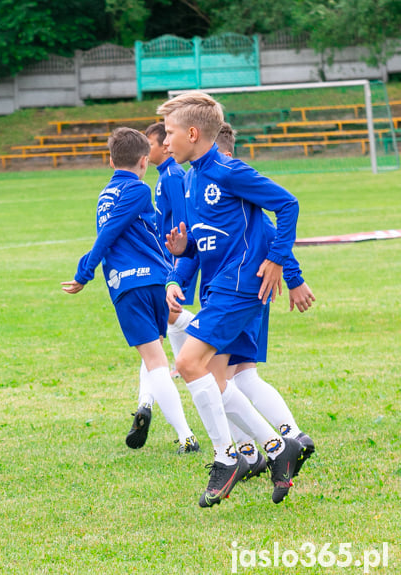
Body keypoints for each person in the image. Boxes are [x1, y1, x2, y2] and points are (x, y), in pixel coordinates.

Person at [158, 91, 304, 507]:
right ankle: (278, 449)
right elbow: (199, 245)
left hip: (241, 284)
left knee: (187, 363)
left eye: (169, 134)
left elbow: (287, 204)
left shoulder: (228, 169)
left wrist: (277, 261)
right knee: (218, 379)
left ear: (192, 133)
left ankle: (228, 457)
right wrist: (179, 266)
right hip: (217, 284)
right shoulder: (188, 180)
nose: (166, 143)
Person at [61, 127, 199, 454]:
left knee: (155, 360)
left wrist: (85, 271)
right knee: (161, 344)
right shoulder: (139, 189)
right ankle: (146, 404)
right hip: (155, 280)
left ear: (110, 161)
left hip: (129, 286)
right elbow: (112, 236)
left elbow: (107, 235)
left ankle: (186, 436)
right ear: (143, 161)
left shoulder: (106, 196)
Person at [145, 122, 197, 373]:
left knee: (169, 310)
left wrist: (177, 257)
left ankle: (205, 332)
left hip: (174, 256)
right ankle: (181, 363)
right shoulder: (164, 175)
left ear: (166, 147)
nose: (146, 149)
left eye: (150, 144)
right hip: (163, 254)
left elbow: (181, 219)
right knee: (170, 312)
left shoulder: (174, 175)